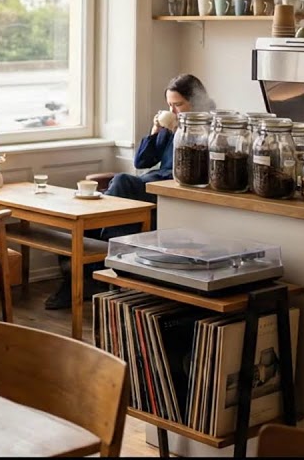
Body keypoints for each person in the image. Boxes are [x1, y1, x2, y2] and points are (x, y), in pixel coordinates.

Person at [45, 73, 216, 310]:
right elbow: (141, 161)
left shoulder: (205, 128)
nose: (173, 110)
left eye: (178, 105)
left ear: (195, 102)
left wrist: (181, 133)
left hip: (169, 191)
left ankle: (103, 260)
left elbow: (188, 171)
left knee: (122, 182)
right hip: (151, 184)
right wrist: (157, 130)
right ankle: (77, 279)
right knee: (83, 219)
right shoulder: (171, 125)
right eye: (169, 105)